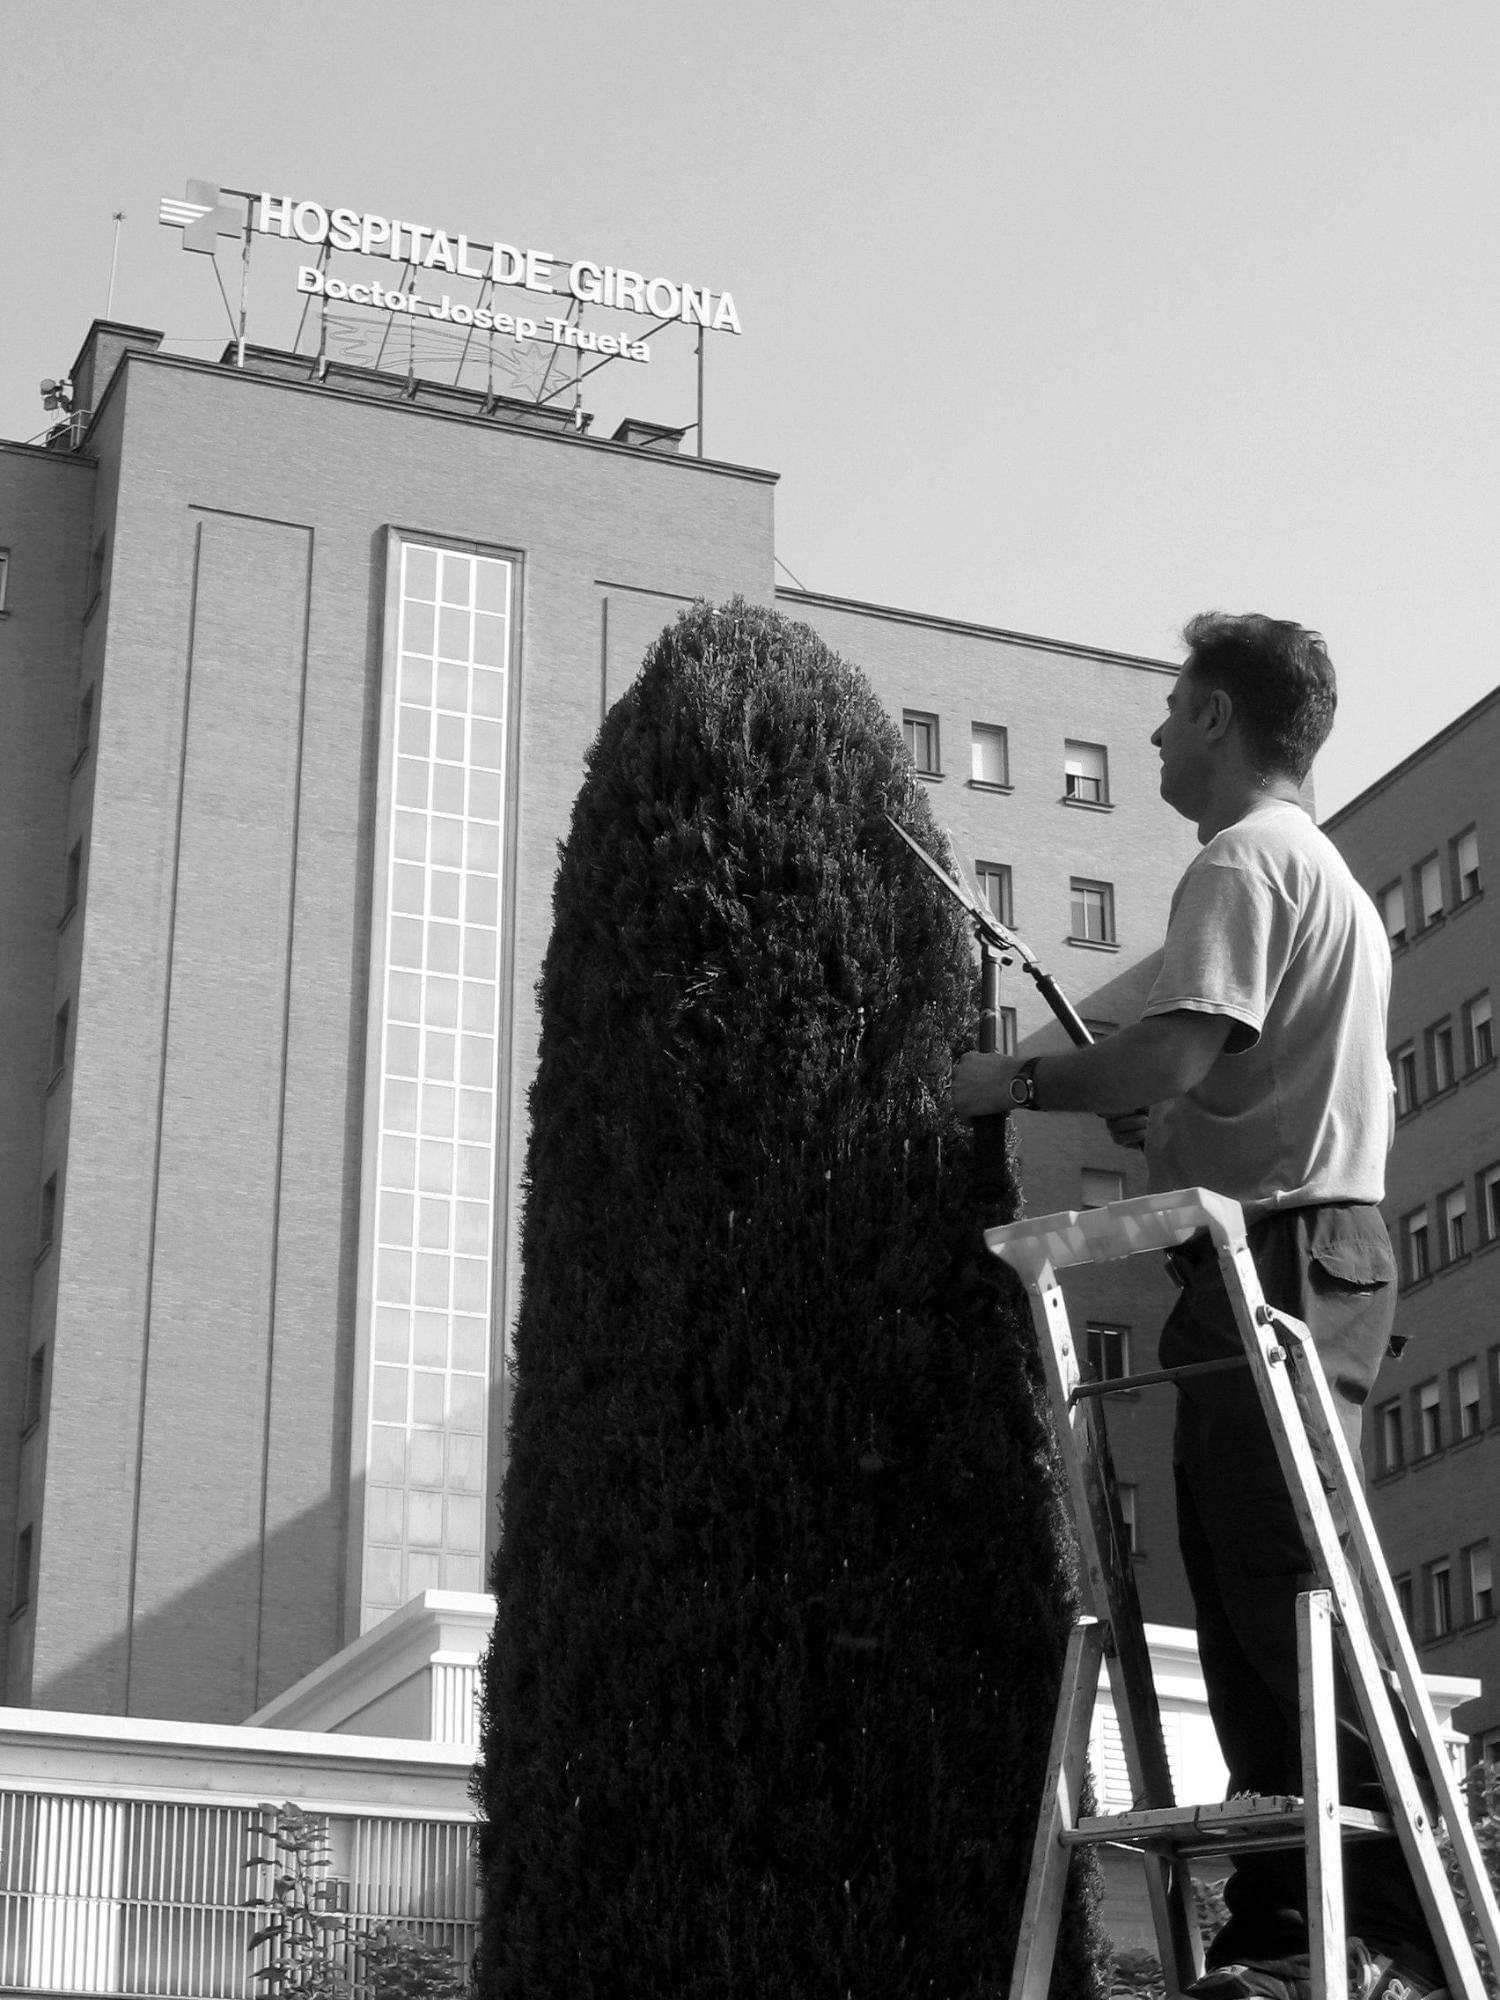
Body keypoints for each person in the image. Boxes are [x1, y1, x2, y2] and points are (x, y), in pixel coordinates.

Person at [951, 613, 1446, 2000]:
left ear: (1224, 717)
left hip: (1273, 1264)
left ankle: (1360, 1926)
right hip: (1295, 1253)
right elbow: (1217, 1076)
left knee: (1276, 1588)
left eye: (1173, 709)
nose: (1160, 733)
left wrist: (1019, 1085)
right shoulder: (1324, 874)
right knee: (1258, 1591)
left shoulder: (1238, 862)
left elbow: (1175, 1049)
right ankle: (1295, 1920)